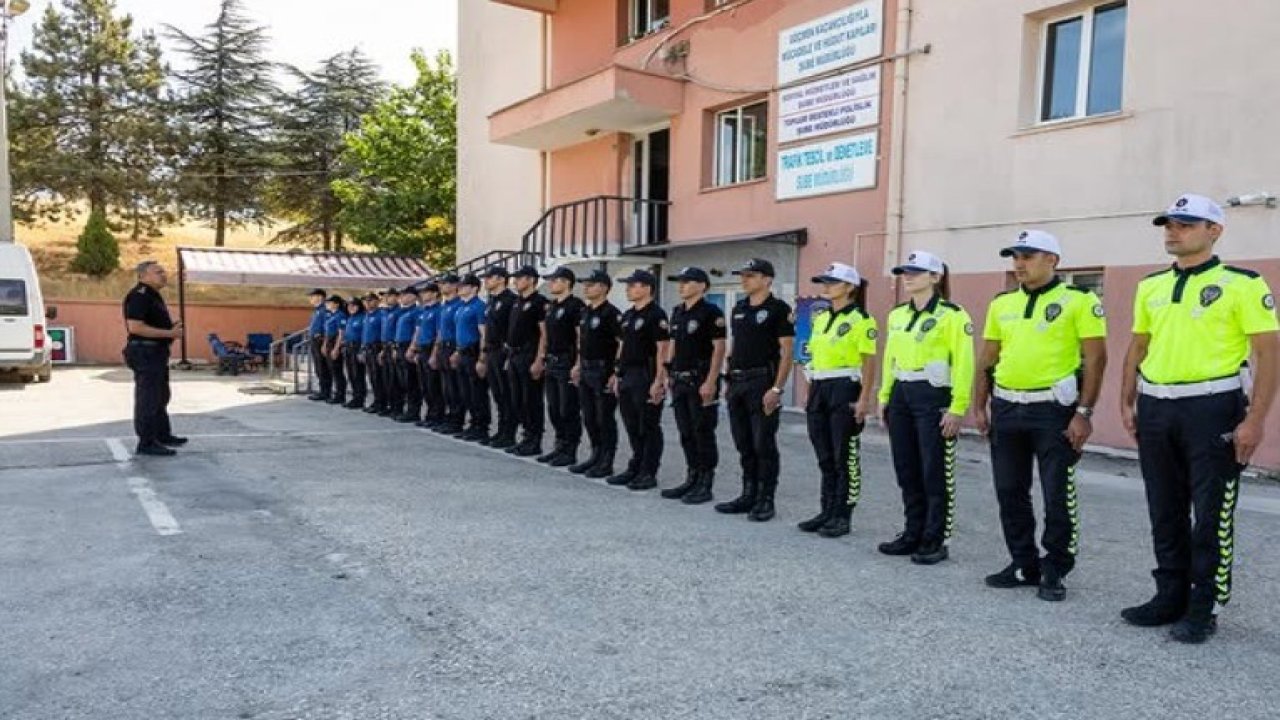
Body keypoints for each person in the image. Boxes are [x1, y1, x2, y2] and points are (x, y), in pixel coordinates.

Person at [1118, 194, 1278, 643]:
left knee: (1211, 514)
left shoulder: (1243, 284)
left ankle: (1205, 605)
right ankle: (1168, 596)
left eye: (1185, 224)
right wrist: (1126, 398)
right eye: (1169, 224)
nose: (1173, 232)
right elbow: (1139, 344)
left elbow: (1269, 353)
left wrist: (1255, 420)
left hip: (1212, 408)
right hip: (1156, 406)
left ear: (1214, 231)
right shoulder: (1150, 286)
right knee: (1164, 507)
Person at [974, 232, 1107, 598]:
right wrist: (979, 404)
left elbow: (1096, 358)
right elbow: (988, 356)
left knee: (1056, 492)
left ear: (1052, 260)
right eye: (1015, 257)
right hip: (1007, 407)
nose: (1019, 263)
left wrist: (1084, 412)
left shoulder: (1079, 300)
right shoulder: (1002, 304)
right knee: (1009, 490)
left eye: (1028, 256)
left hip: (1053, 410)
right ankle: (1023, 563)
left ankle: (1055, 567)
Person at [878, 251, 975, 565]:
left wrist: (958, 407)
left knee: (934, 470)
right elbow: (889, 358)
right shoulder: (897, 315)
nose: (908, 277)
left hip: (933, 394)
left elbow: (964, 363)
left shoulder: (953, 315)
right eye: (905, 272)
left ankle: (935, 539)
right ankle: (912, 532)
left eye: (916, 272)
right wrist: (885, 396)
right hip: (902, 394)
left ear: (935, 277)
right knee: (906, 468)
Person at [800, 262, 877, 538]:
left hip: (845, 387)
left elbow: (869, 362)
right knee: (824, 453)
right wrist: (810, 392)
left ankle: (843, 515)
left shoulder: (861, 320)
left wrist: (864, 398)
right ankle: (827, 510)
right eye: (825, 282)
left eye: (833, 282)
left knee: (844, 455)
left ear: (849, 287)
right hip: (820, 386)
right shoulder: (821, 319)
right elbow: (813, 357)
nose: (827, 287)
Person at [716, 258, 795, 522]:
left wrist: (777, 388)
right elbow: (735, 346)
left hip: (762, 381)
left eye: (750, 275)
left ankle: (765, 499)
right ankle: (748, 494)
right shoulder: (739, 308)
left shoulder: (778, 309)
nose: (744, 280)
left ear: (767, 279)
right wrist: (728, 379)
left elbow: (787, 352)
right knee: (743, 442)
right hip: (738, 381)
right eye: (743, 275)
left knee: (763, 443)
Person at [660, 266, 726, 505]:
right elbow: (673, 343)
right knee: (686, 432)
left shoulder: (711, 312)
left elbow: (719, 348)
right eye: (680, 281)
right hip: (680, 379)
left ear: (702, 285)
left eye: (687, 282)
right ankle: (692, 476)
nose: (681, 286)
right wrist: (668, 372)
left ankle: (705, 483)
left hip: (700, 379)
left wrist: (711, 380)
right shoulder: (678, 312)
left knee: (702, 431)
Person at [608, 269, 670, 491]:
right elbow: (622, 346)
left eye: (632, 285)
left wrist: (659, 380)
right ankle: (636, 465)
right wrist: (617, 373)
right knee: (632, 424)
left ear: (647, 288)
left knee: (648, 425)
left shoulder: (656, 315)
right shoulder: (628, 315)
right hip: (628, 374)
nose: (628, 289)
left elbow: (663, 350)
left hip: (646, 374)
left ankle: (648, 471)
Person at [122, 261, 185, 457]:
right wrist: (169, 333)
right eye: (158, 272)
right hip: (145, 352)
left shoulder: (152, 295)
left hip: (156, 352)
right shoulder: (139, 296)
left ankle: (162, 435)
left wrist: (170, 329)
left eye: (163, 271)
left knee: (161, 396)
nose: (163, 274)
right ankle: (147, 442)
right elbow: (136, 327)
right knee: (148, 398)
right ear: (143, 276)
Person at [570, 270, 624, 479]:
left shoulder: (612, 313)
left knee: (604, 418)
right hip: (586, 368)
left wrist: (616, 371)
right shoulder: (585, 312)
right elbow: (581, 342)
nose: (586, 288)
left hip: (603, 370)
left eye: (591, 284)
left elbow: (622, 343)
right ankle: (595, 454)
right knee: (589, 416)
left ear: (603, 287)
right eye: (585, 284)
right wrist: (577, 365)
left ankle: (606, 460)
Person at [539, 267, 586, 467]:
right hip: (552, 361)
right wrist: (542, 356)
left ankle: (570, 450)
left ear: (567, 282)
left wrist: (578, 364)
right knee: (554, 408)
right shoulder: (551, 306)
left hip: (567, 361)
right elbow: (545, 335)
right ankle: (559, 446)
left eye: (555, 280)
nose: (551, 283)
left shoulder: (576, 306)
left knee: (568, 408)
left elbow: (580, 337)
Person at [506, 265, 549, 457]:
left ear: (531, 280)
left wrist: (539, 359)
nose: (516, 281)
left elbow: (544, 334)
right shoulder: (517, 302)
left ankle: (534, 440)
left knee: (531, 400)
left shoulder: (540, 302)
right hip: (514, 355)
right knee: (517, 400)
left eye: (520, 278)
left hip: (529, 355)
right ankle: (526, 437)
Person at [479, 266, 519, 449]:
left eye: (490, 277)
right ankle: (502, 431)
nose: (486, 281)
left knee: (507, 394)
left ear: (502, 279)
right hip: (491, 351)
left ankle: (509, 432)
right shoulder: (491, 300)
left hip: (503, 352)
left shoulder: (510, 300)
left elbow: (512, 328)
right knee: (497, 394)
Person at [453, 273, 491, 442]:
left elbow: (484, 334)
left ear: (474, 288)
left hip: (473, 352)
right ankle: (473, 424)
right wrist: (456, 351)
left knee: (477, 392)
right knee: (465, 392)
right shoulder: (461, 307)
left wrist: (482, 359)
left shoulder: (479, 306)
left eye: (464, 285)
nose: (460, 288)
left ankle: (481, 426)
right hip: (462, 352)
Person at [408, 283, 445, 429]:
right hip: (422, 349)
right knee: (425, 385)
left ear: (435, 294)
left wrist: (434, 354)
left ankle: (437, 416)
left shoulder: (439, 310)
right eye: (422, 292)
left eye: (426, 292)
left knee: (433, 385)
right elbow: (417, 332)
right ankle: (430, 414)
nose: (423, 295)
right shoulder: (423, 310)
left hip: (431, 348)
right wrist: (414, 349)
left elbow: (439, 333)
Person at [433, 275, 465, 435]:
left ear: (454, 285)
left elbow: (460, 331)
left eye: (445, 283)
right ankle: (450, 417)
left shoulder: (459, 304)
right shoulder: (444, 306)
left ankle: (457, 420)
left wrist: (457, 351)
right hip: (443, 347)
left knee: (455, 387)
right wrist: (435, 352)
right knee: (446, 387)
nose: (441, 286)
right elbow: (440, 332)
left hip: (454, 346)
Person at [393, 287, 424, 423]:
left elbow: (417, 331)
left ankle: (413, 411)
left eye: (405, 295)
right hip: (400, 346)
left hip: (408, 346)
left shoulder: (417, 311)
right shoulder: (402, 312)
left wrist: (412, 348)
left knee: (412, 382)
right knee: (403, 381)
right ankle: (407, 409)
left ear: (413, 297)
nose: (402, 297)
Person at [378, 288, 404, 417]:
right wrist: (383, 349)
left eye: (389, 296)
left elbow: (397, 332)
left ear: (396, 297)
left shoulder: (399, 312)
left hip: (394, 346)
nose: (386, 298)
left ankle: (397, 407)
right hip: (386, 346)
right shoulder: (386, 312)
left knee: (395, 379)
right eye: (385, 296)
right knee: (387, 378)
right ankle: (391, 405)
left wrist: (394, 347)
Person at [361, 293, 386, 414]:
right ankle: (376, 401)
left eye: (370, 300)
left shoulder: (381, 315)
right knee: (372, 377)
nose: (367, 303)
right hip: (368, 348)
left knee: (378, 377)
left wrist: (382, 349)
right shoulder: (366, 315)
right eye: (365, 301)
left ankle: (382, 402)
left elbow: (384, 332)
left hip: (377, 347)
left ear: (377, 301)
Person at [321, 294, 348, 406]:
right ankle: (335, 393)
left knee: (337, 371)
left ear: (336, 304)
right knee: (331, 369)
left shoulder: (340, 315)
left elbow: (341, 333)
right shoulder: (330, 315)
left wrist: (336, 348)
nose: (327, 304)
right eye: (326, 302)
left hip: (335, 342)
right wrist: (324, 345)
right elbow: (327, 332)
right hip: (329, 342)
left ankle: (340, 395)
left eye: (329, 302)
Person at [306, 288, 332, 402]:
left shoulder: (325, 310)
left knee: (322, 367)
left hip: (320, 340)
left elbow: (327, 327)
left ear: (320, 297)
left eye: (312, 296)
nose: (310, 299)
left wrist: (324, 341)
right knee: (318, 367)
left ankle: (326, 392)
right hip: (314, 340)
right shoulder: (316, 310)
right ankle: (322, 390)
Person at [342, 297, 367, 410]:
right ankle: (355, 396)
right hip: (349, 347)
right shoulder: (350, 318)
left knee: (358, 374)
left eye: (354, 305)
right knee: (351, 374)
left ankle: (360, 398)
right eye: (349, 306)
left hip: (357, 347)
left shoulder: (363, 317)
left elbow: (364, 335)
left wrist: (362, 350)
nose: (351, 308)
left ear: (359, 306)